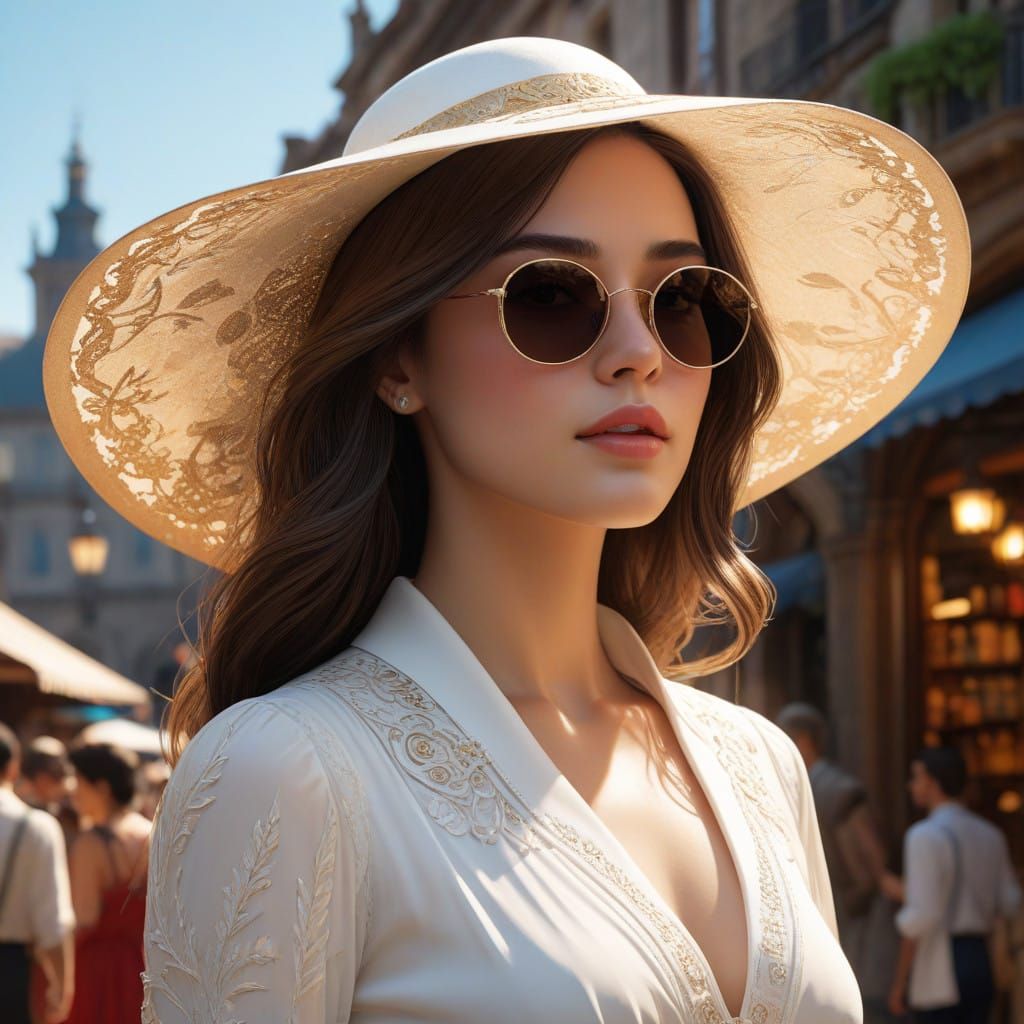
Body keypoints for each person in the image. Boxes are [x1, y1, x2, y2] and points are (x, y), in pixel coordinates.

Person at [42, 35, 970, 1024]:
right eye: (552, 295)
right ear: (398, 357)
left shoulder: (759, 765)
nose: (636, 352)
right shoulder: (286, 770)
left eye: (685, 301)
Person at [776, 703, 899, 1022]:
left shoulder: (837, 790)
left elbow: (872, 862)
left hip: (853, 920)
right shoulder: (797, 786)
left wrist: (856, 896)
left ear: (802, 741)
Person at [885, 747, 1022, 1022]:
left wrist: (899, 984)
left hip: (941, 965)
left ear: (933, 783)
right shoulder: (990, 834)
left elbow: (920, 917)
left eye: (916, 777)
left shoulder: (924, 836)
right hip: (982, 959)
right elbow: (1010, 901)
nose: (911, 785)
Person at [63, 742, 151, 1024]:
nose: (72, 792)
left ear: (101, 787)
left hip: (97, 972)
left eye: (78, 782)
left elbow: (84, 919)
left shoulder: (91, 843)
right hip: (145, 965)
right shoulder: (151, 831)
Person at [0, 721, 75, 1024]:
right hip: (9, 973)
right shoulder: (35, 827)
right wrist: (62, 985)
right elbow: (52, 921)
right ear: (14, 767)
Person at [16, 737, 78, 848]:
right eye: (57, 775)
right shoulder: (16, 810)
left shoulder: (69, 811)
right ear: (42, 778)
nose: (63, 784)